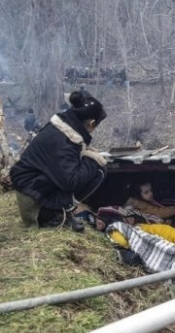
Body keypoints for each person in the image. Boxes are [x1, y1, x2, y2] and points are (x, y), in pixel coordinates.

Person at [10, 90, 107, 231]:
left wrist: (85, 154)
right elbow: (71, 182)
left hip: (32, 187)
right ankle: (54, 215)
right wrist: (91, 160)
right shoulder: (64, 142)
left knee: (92, 166)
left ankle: (59, 212)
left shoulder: (61, 129)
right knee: (99, 170)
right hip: (33, 201)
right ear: (92, 123)